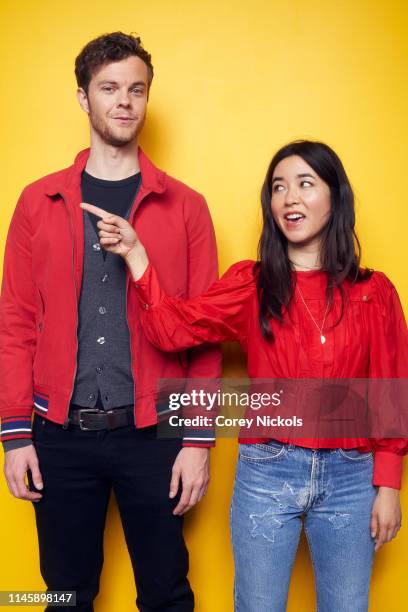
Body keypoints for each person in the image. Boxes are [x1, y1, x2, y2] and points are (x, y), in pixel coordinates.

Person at [81, 140, 407, 612]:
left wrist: (389, 487)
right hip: (268, 470)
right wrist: (135, 255)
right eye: (278, 188)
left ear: (336, 197)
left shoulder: (374, 292)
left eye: (305, 184)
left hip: (351, 477)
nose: (289, 198)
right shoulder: (251, 284)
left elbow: (391, 395)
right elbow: (173, 329)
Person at [0, 32, 221, 612]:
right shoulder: (36, 202)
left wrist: (198, 441)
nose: (124, 101)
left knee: (167, 595)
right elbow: (16, 324)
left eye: (136, 89)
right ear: (83, 98)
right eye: (109, 88)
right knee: (66, 597)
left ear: (147, 99)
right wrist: (15, 435)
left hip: (156, 435)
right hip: (59, 436)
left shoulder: (187, 207)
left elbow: (204, 331)